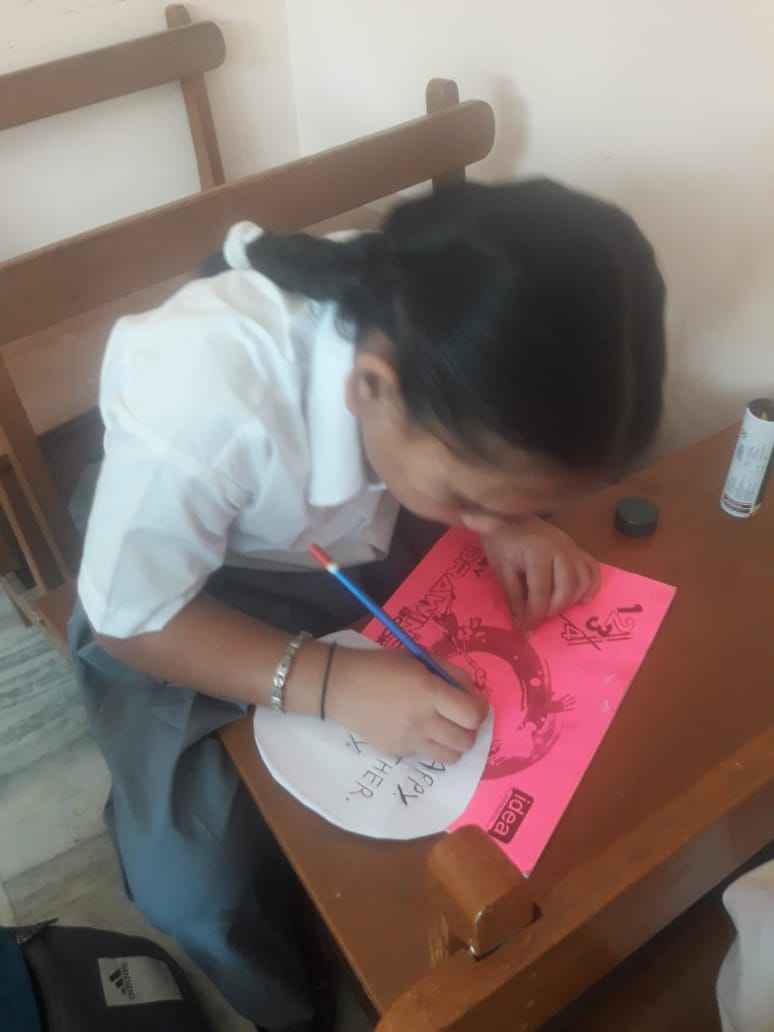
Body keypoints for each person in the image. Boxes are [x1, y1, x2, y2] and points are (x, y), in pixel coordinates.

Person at [69, 178, 666, 1031]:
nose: (491, 517)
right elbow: (131, 619)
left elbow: (459, 463)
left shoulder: (433, 349)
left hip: (362, 522)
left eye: (516, 496)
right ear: (374, 386)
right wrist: (332, 684)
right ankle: (293, 1013)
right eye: (475, 496)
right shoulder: (202, 407)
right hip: (189, 583)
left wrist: (514, 522)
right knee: (197, 885)